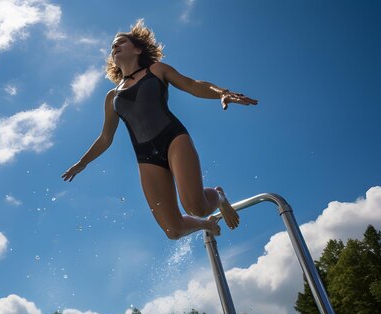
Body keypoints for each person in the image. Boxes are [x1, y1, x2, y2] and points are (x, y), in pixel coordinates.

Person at [61, 20, 258, 239]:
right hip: (146, 157)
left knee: (196, 206)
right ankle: (208, 225)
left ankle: (218, 196)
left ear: (138, 49)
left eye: (121, 42)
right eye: (113, 46)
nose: (115, 47)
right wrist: (82, 163)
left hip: (172, 138)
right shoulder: (111, 97)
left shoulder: (156, 70)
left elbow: (192, 84)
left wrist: (222, 92)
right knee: (173, 231)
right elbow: (106, 137)